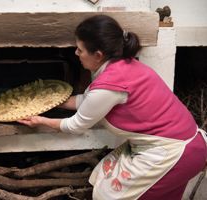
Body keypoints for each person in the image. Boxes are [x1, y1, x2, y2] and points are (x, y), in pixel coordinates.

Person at [17, 15, 207, 200]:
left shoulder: (109, 84)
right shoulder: (121, 65)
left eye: (80, 50)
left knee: (108, 194)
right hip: (184, 145)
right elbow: (87, 100)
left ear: (98, 55)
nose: (76, 53)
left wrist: (41, 121)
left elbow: (77, 125)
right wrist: (45, 101)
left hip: (175, 154)